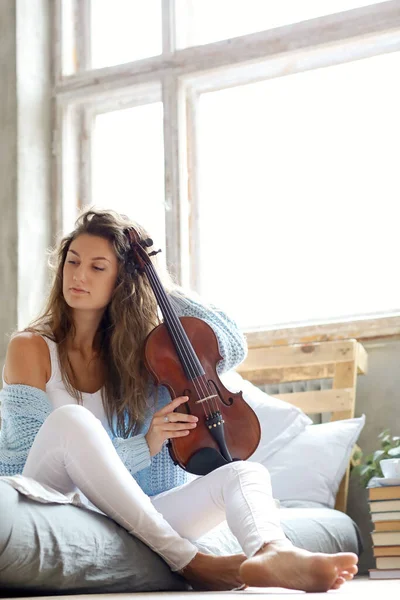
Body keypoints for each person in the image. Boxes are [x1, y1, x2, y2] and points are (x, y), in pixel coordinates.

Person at [0, 208, 358, 592]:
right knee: (71, 420)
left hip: (128, 513)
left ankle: (273, 551)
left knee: (244, 473)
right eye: (73, 262)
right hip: (57, 502)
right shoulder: (32, 347)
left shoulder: (146, 356)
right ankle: (189, 560)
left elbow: (230, 346)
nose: (78, 275)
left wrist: (154, 281)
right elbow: (24, 463)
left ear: (123, 279)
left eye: (98, 267)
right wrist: (146, 445)